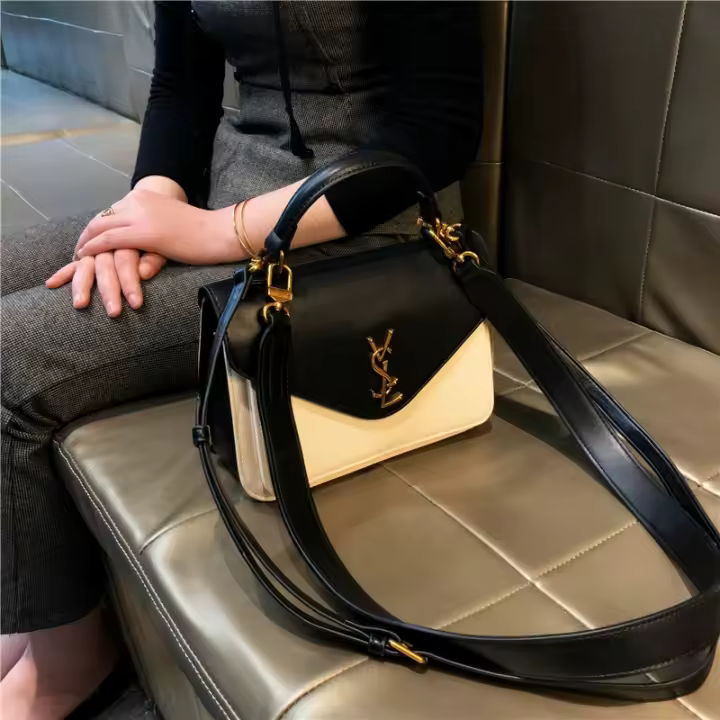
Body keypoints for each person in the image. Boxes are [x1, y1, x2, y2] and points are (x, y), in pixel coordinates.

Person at [0, 1, 483, 717]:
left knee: (10, 356)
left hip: (356, 229)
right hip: (217, 201)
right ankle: (31, 606)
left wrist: (217, 233)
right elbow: (180, 87)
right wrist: (148, 207)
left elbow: (438, 130)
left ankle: (69, 659)